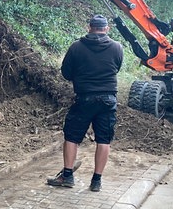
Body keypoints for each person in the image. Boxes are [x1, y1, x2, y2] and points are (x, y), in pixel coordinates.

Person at [47, 14, 124, 192]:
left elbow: (66, 73)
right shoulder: (117, 47)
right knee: (104, 140)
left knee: (72, 137)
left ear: (89, 27)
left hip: (84, 98)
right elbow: (116, 68)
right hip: (108, 99)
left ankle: (67, 176)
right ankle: (96, 181)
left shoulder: (76, 47)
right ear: (106, 29)